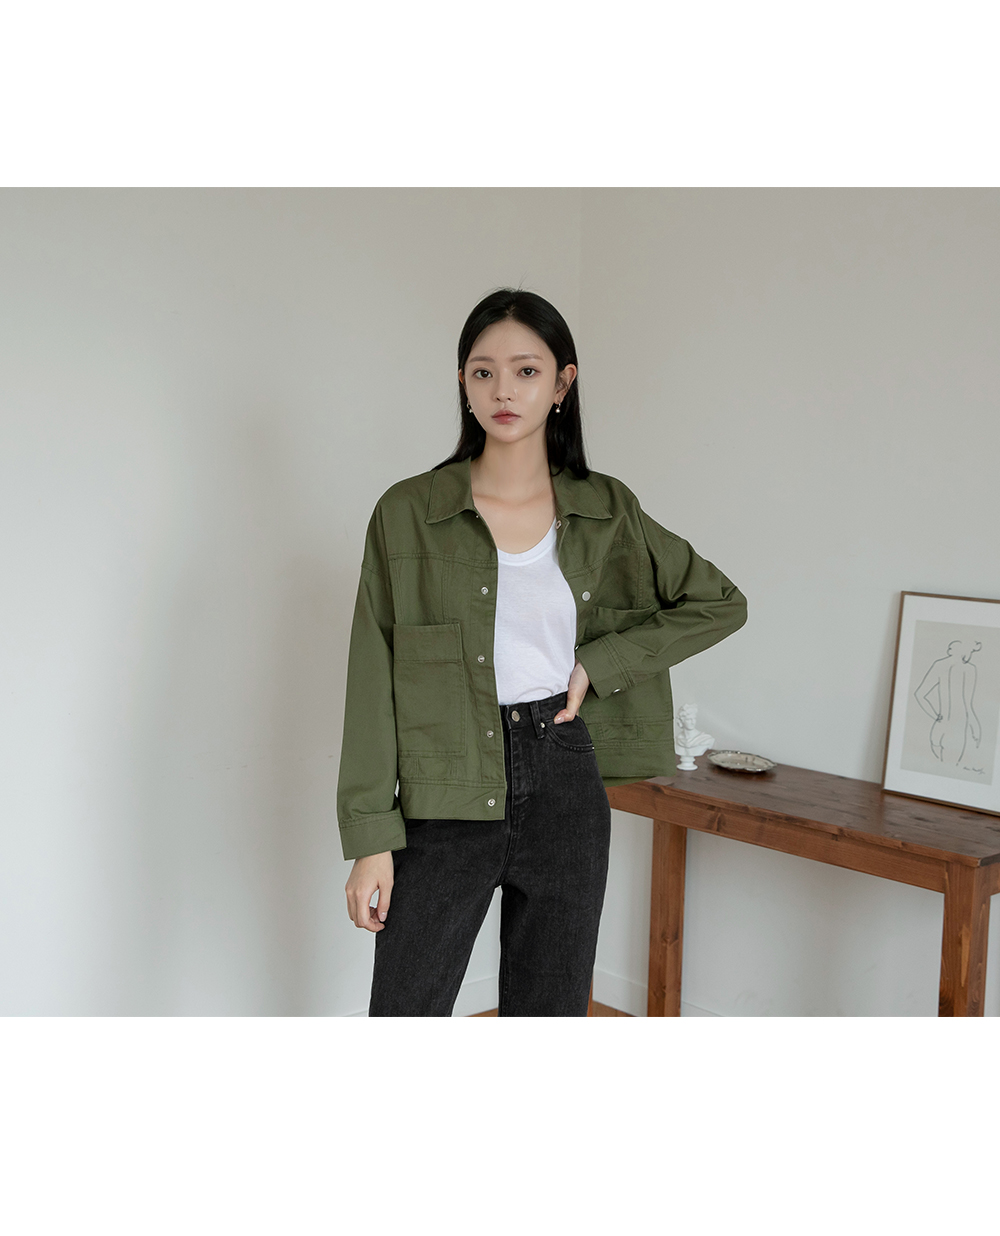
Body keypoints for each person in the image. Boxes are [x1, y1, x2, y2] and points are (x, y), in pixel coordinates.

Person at [337, 287, 748, 1016]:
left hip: (564, 777)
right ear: (463, 384)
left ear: (563, 383)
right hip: (444, 789)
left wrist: (603, 662)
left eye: (526, 371)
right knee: (405, 1011)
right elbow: (372, 678)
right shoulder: (407, 515)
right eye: (483, 372)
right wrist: (371, 838)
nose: (504, 390)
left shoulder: (608, 510)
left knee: (550, 1013)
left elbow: (719, 602)